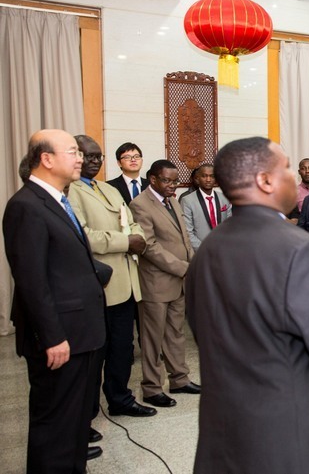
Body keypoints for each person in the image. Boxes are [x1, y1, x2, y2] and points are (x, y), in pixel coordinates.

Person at [184, 137, 309, 473]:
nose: (294, 177)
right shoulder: (304, 252)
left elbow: (209, 335)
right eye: (287, 168)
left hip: (227, 436)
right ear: (265, 180)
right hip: (296, 443)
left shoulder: (207, 250)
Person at [4, 129, 108, 471]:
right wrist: (52, 337)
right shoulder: (26, 206)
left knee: (74, 424)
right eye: (73, 152)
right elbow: (32, 281)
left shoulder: (58, 200)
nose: (81, 159)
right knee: (55, 427)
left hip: (81, 333)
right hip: (60, 339)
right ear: (46, 159)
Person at [67, 135, 157, 426]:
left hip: (126, 282)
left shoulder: (108, 189)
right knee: (96, 354)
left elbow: (133, 224)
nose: (94, 161)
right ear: (76, 157)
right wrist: (125, 241)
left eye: (98, 156)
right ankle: (87, 414)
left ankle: (120, 399)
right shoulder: (70, 191)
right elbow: (83, 236)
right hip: (99, 284)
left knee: (122, 348)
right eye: (88, 156)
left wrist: (137, 237)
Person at [130, 159, 201, 408]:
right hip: (156, 283)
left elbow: (184, 238)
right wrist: (183, 268)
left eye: (175, 181)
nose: (173, 185)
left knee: (175, 333)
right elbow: (148, 246)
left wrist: (192, 262)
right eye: (167, 181)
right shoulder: (140, 204)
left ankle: (179, 379)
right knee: (153, 338)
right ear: (153, 179)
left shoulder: (173, 200)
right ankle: (151, 388)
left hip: (179, 281)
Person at [179, 163, 232, 251]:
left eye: (212, 176)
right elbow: (188, 232)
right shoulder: (187, 200)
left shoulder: (224, 198)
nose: (208, 180)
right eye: (204, 176)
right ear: (197, 179)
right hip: (201, 251)